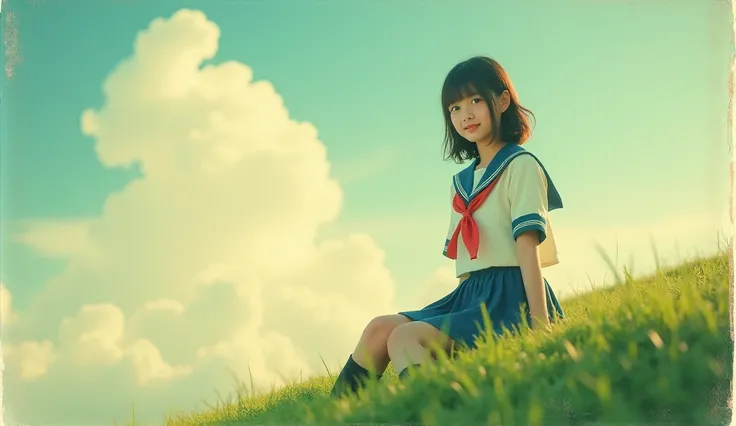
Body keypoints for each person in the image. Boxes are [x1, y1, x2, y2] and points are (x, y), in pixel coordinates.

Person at [329, 56, 565, 398]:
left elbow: (527, 248)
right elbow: (467, 265)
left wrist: (541, 327)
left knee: (405, 337)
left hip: (512, 297)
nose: (465, 114)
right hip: (472, 295)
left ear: (501, 101)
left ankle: (441, 410)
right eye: (454, 107)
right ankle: (333, 417)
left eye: (475, 101)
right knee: (380, 329)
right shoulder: (462, 182)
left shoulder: (520, 165)